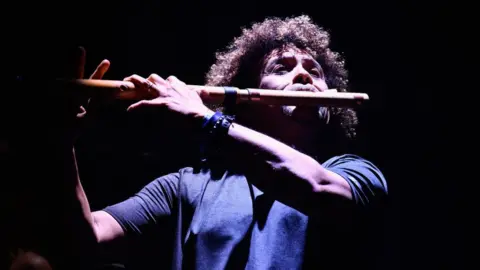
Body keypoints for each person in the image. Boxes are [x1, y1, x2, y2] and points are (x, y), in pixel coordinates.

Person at [14, 15, 388, 269]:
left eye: (314, 70)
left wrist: (205, 119)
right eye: (282, 68)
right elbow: (83, 242)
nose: (304, 76)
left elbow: (322, 191)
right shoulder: (184, 187)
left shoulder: (353, 172)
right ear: (249, 92)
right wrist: (60, 145)